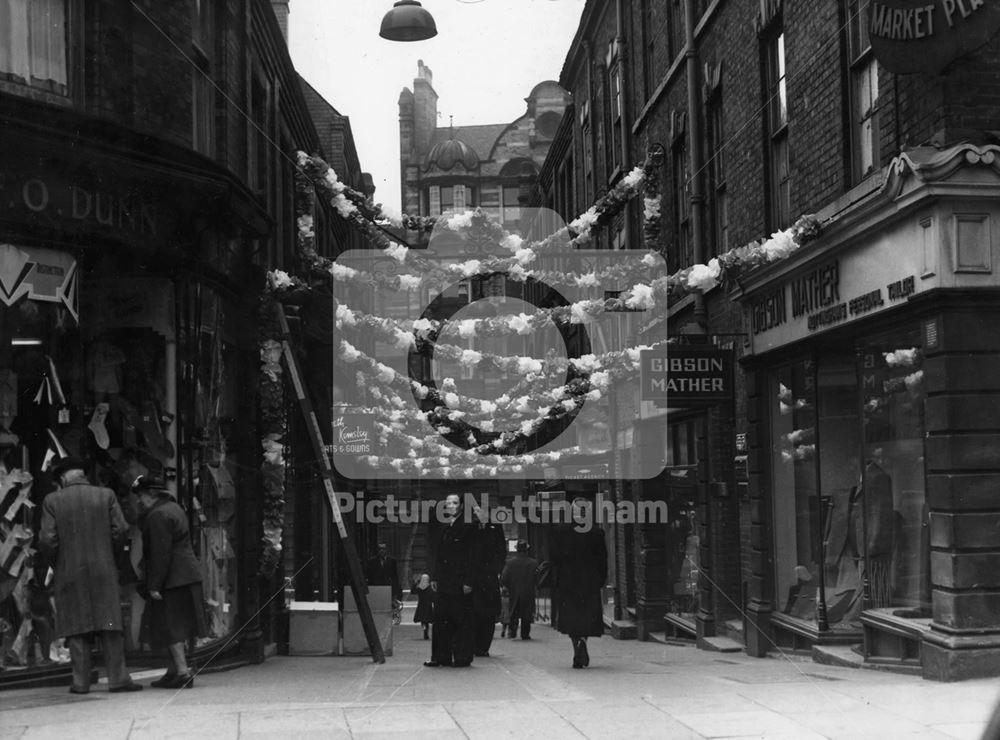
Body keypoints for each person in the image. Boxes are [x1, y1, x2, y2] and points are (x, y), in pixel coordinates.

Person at [38, 457, 143, 694]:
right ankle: (118, 679)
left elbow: (47, 539)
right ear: (83, 475)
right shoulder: (106, 495)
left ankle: (81, 682)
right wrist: (111, 558)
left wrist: (57, 562)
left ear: (63, 478)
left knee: (77, 625)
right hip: (104, 569)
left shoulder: (52, 500)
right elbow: (122, 530)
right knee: (110, 624)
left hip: (69, 571)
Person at [135, 475, 208, 689]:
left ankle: (183, 672)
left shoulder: (157, 515)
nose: (139, 501)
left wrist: (154, 585)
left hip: (172, 579)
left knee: (172, 627)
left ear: (150, 494)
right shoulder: (173, 508)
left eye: (140, 496)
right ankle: (173, 671)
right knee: (176, 625)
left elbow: (160, 553)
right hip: (185, 575)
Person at [550, 496, 607, 669]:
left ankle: (577, 646)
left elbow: (554, 559)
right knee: (586, 617)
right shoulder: (597, 532)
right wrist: (601, 580)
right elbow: (602, 559)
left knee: (572, 618)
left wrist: (557, 579)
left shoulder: (560, 531)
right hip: (589, 583)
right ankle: (583, 640)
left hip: (568, 582)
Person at [425, 493, 475, 668]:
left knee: (460, 620)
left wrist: (469, 581)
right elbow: (439, 554)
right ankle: (441, 657)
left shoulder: (468, 526)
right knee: (441, 620)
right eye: (448, 503)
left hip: (459, 582)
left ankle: (461, 657)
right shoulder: (446, 526)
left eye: (454, 503)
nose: (450, 506)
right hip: (445, 582)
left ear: (461, 505)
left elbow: (472, 557)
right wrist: (435, 577)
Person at [471, 503, 506, 656]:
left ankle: (484, 647)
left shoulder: (495, 528)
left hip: (489, 577)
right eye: (475, 512)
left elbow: (501, 550)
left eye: (480, 512)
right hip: (474, 578)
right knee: (474, 613)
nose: (478, 515)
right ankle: (474, 645)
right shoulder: (470, 528)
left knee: (489, 614)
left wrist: (496, 570)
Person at [500, 539, 538, 640]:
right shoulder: (533, 563)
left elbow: (504, 578)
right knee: (527, 614)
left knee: (514, 612)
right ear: (526, 550)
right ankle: (525, 634)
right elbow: (538, 578)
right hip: (528, 592)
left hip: (514, 592)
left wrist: (508, 586)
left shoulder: (510, 563)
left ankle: (512, 631)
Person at [366, 542, 403, 606]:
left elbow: (395, 576)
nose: (381, 550)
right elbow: (370, 576)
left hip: (389, 588)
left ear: (387, 550)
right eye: (380, 549)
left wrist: (396, 590)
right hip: (376, 589)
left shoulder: (392, 561)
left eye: (383, 548)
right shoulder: (372, 561)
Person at [412, 573, 434, 639]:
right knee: (426, 620)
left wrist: (415, 583)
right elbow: (433, 596)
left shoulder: (419, 588)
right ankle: (426, 632)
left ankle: (424, 631)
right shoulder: (430, 588)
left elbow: (413, 591)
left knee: (423, 621)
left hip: (421, 605)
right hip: (428, 606)